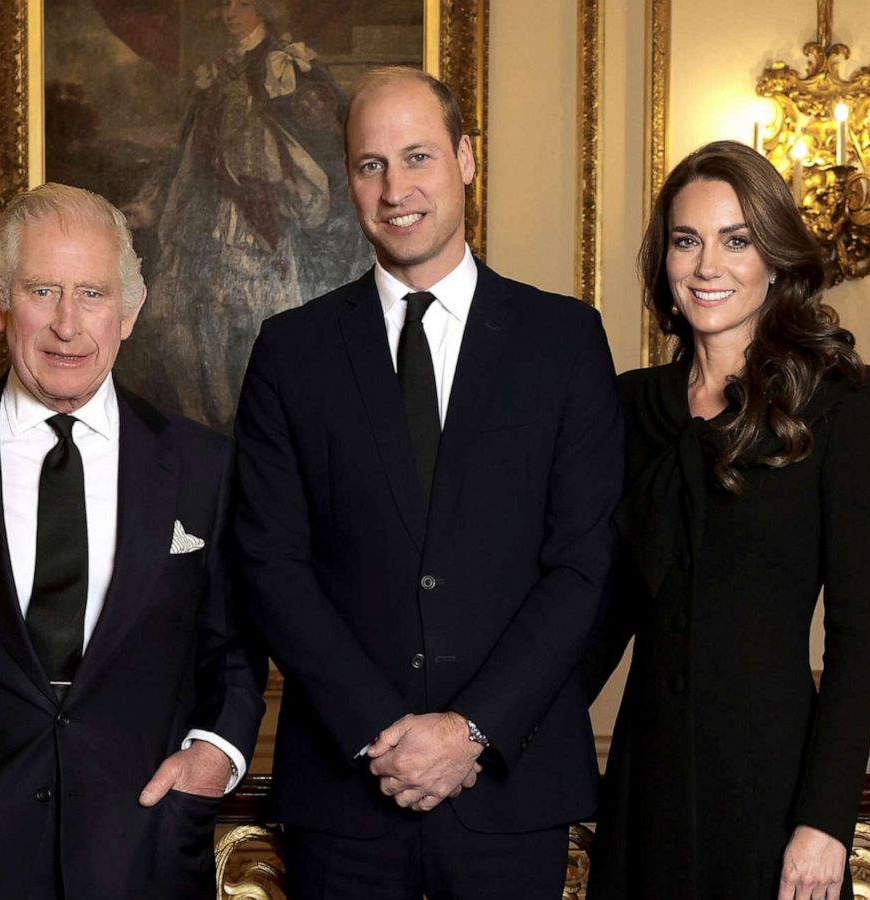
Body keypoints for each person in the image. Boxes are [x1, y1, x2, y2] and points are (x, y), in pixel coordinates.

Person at [232, 66, 624, 898]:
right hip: (347, 794)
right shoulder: (291, 353)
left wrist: (470, 731)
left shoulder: (564, 341)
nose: (395, 187)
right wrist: (383, 733)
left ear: (467, 159)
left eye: (418, 157)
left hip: (510, 792)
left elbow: (585, 564)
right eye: (371, 165)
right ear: (348, 180)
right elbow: (270, 564)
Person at [0, 182, 267, 900]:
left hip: (142, 843)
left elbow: (235, 648)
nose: (66, 325)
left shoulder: (203, 465)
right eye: (42, 291)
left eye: (91, 294)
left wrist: (214, 755)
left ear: (130, 311)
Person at [582, 140, 870, 900]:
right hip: (645, 785)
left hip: (773, 791)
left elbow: (857, 641)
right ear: (664, 259)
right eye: (687, 241)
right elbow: (601, 614)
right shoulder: (628, 405)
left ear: (777, 256)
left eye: (736, 240)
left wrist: (824, 821)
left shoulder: (846, 400)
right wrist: (488, 733)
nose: (706, 266)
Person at [121, 0, 367, 428]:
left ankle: (260, 419)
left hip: (260, 213)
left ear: (266, 9)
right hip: (203, 209)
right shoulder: (217, 71)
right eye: (225, 4)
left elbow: (325, 137)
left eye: (243, 3)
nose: (230, 12)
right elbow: (188, 149)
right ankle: (210, 421)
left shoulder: (286, 65)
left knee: (258, 318)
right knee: (189, 314)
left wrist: (277, 167)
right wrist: (154, 202)